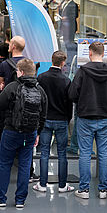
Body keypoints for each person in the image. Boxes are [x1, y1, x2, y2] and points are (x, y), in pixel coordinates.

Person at [0, 59, 47, 208]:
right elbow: (43, 115)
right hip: (30, 133)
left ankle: (1, 197)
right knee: (25, 165)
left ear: (21, 72)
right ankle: (20, 200)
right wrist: (37, 133)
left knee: (5, 164)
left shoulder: (13, 87)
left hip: (11, 131)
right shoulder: (40, 90)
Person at [68, 42, 107, 199]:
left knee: (85, 153)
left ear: (90, 53)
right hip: (106, 118)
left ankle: (84, 190)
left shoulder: (82, 72)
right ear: (103, 53)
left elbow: (72, 94)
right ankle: (103, 190)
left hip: (86, 118)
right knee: (104, 153)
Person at [33, 51, 74, 193]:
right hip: (61, 119)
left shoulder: (41, 78)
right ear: (63, 63)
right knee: (62, 153)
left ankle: (42, 184)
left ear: (51, 60)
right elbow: (69, 104)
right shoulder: (66, 81)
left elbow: (38, 100)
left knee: (44, 152)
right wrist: (68, 118)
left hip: (45, 119)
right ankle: (62, 185)